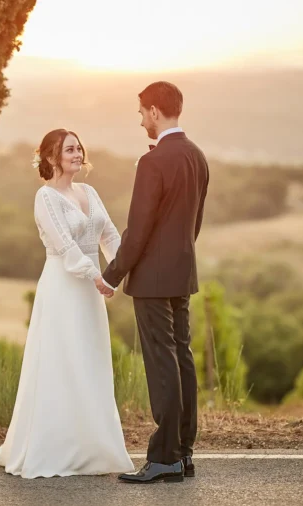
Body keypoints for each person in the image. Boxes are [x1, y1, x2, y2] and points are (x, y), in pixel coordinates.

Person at [0, 128, 134, 478]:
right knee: (61, 360)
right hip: (64, 286)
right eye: (68, 149)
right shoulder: (46, 197)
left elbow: (110, 234)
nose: (76, 153)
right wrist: (96, 276)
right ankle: (54, 446)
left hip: (91, 290)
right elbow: (64, 245)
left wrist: (119, 270)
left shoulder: (89, 191)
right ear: (52, 157)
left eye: (78, 147)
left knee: (90, 361)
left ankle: (93, 446)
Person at [96, 81, 209, 483]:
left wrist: (111, 275)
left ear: (156, 112)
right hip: (181, 273)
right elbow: (193, 224)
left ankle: (164, 458)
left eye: (142, 112)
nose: (141, 119)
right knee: (182, 359)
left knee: (163, 365)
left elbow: (139, 230)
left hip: (152, 280)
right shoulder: (197, 156)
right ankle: (183, 454)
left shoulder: (154, 162)